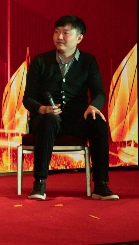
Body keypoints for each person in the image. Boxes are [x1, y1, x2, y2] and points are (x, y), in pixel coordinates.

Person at [22, 15, 118, 201]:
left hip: (76, 118)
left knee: (98, 123)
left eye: (66, 33)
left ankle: (101, 184)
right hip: (45, 118)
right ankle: (39, 183)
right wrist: (42, 109)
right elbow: (28, 98)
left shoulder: (88, 61)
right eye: (57, 32)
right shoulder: (40, 61)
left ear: (79, 38)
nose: (59, 37)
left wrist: (93, 107)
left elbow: (99, 93)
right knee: (49, 121)